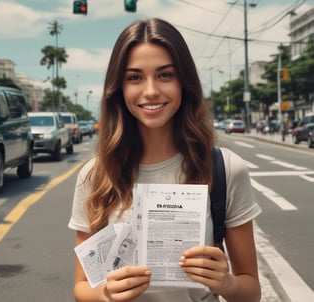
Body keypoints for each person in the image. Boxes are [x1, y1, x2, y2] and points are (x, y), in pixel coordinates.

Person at [68, 18, 262, 302]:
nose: (150, 91)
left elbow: (251, 291)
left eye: (165, 75)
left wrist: (227, 283)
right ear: (118, 88)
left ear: (184, 81)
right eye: (134, 77)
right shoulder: (96, 175)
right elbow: (81, 287)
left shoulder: (226, 169)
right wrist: (106, 296)